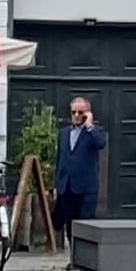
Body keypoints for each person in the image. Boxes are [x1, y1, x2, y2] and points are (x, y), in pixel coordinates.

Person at [52, 98, 107, 239]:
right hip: (67, 187)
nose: (76, 115)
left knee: (85, 226)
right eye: (73, 112)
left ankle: (86, 260)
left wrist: (89, 125)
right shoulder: (64, 133)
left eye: (80, 112)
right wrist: (57, 184)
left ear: (88, 113)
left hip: (85, 189)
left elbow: (101, 143)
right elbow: (60, 159)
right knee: (69, 226)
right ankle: (73, 257)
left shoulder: (94, 132)